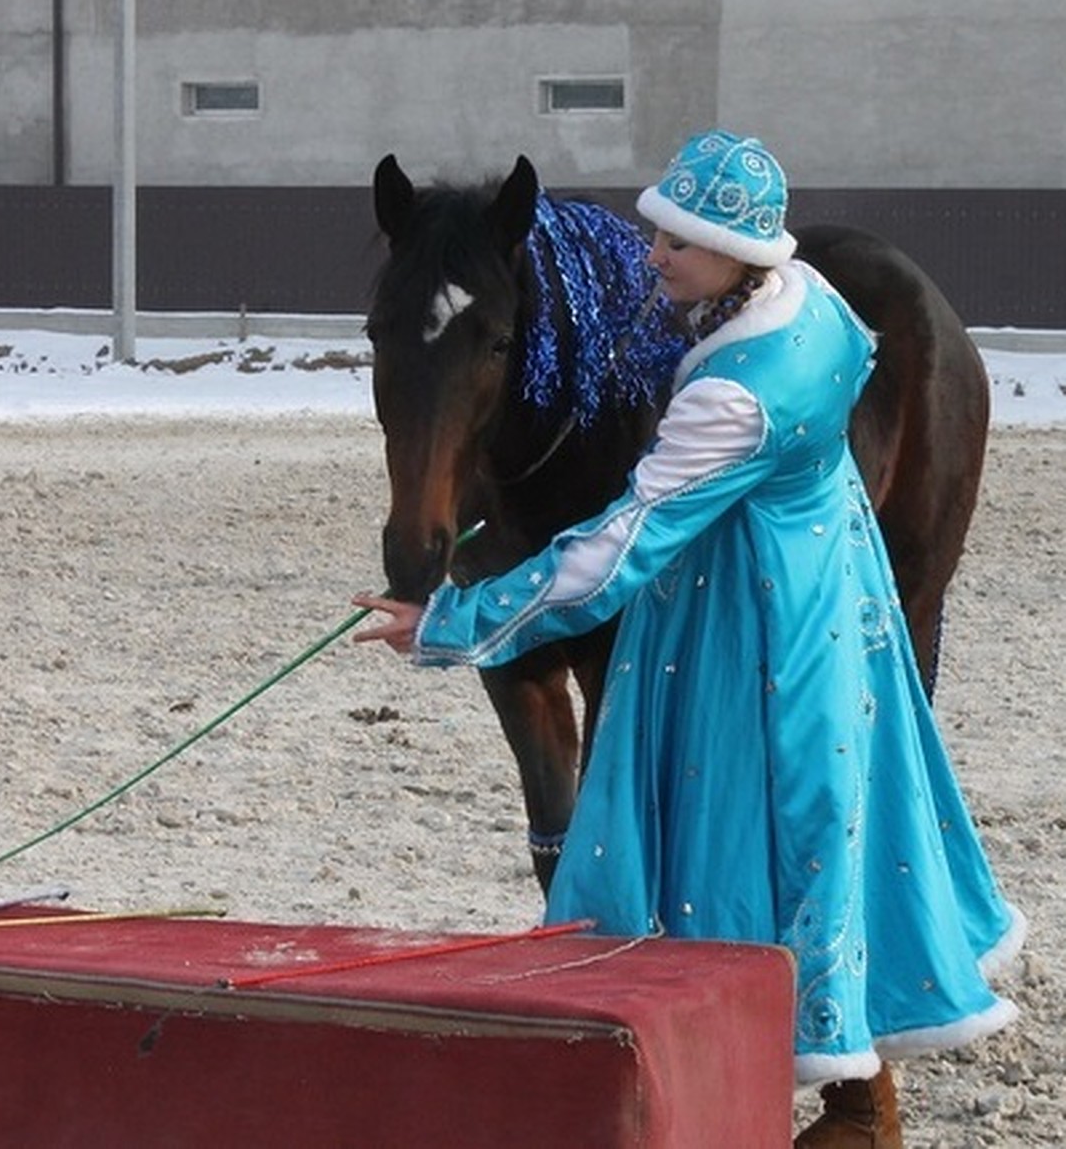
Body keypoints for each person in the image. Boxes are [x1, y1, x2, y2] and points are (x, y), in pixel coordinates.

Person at [353, 128, 1024, 1148]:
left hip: (763, 624)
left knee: (793, 823)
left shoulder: (733, 398)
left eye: (675, 242)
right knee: (801, 819)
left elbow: (618, 549)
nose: (648, 254)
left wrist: (450, 620)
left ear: (735, 255)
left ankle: (852, 1098)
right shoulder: (810, 306)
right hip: (804, 588)